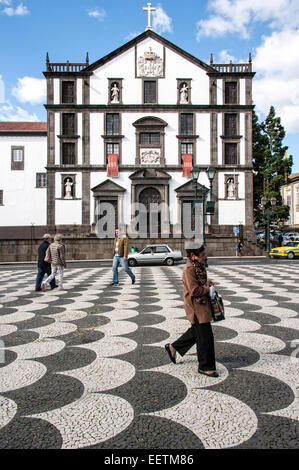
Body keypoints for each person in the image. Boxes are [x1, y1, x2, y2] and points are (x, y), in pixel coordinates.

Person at [164, 245, 218, 378]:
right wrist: (206, 288)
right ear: (193, 256)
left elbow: (200, 284)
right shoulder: (189, 270)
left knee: (196, 333)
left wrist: (207, 285)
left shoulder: (198, 267)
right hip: (196, 307)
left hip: (202, 304)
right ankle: (205, 367)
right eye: (201, 255)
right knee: (205, 337)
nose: (204, 256)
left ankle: (173, 347)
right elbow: (194, 291)